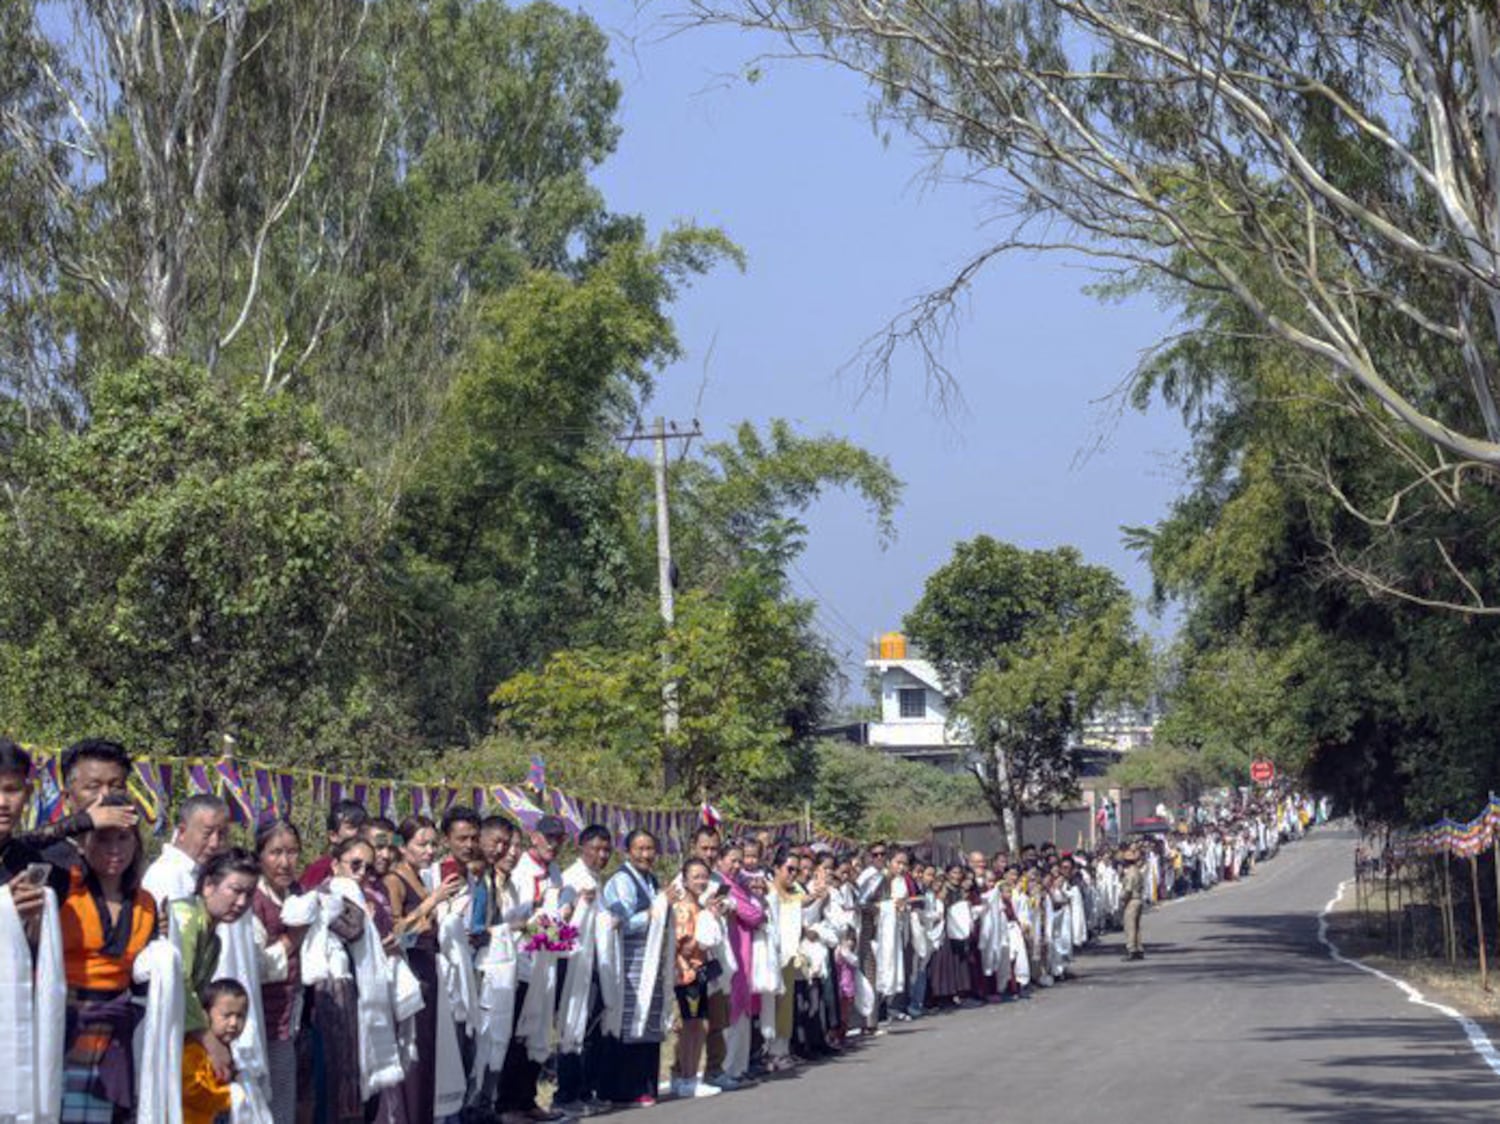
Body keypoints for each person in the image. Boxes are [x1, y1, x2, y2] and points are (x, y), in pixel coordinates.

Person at [58, 792, 157, 1124]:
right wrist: (79, 821)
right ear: (85, 843)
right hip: (65, 1025)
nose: (114, 849)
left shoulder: (146, 903)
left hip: (118, 1032)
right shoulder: (64, 891)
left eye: (123, 838)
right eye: (103, 838)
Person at [385, 815, 461, 1124]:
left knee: (429, 1051)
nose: (430, 851)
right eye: (422, 844)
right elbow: (395, 931)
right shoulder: (394, 879)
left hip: (429, 964)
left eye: (433, 844)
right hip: (410, 967)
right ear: (403, 847)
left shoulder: (423, 876)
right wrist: (432, 902)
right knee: (413, 1052)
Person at [173, 849, 260, 1087]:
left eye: (249, 894)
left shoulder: (214, 941)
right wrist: (209, 1041)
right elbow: (179, 984)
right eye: (235, 890)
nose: (242, 902)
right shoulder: (186, 917)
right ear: (209, 885)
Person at [600, 829, 668, 1107]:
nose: (645, 855)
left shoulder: (651, 880)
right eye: (639, 849)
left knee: (648, 1021)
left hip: (651, 963)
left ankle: (646, 1083)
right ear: (628, 851)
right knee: (629, 1021)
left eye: (650, 849)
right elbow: (621, 922)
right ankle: (624, 1088)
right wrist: (652, 914)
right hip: (629, 964)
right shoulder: (622, 881)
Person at [250, 819, 308, 1124]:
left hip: (291, 1015)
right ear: (259, 855)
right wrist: (291, 941)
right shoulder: (252, 899)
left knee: (285, 1099)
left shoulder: (297, 893)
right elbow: (255, 965)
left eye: (292, 852)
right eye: (275, 853)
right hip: (260, 1019)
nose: (285, 862)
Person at [554, 824, 613, 1118]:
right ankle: (566, 1092)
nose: (601, 855)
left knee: (591, 1026)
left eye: (606, 850)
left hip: (594, 962)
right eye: (596, 849)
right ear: (582, 848)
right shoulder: (571, 878)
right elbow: (561, 924)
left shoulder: (596, 879)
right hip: (574, 963)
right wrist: (579, 905)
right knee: (573, 1026)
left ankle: (585, 1089)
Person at [19, 738, 139, 873]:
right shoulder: (44, 855)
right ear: (67, 797)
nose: (105, 794)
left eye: (116, 786)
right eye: (93, 786)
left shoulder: (130, 852)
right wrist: (84, 821)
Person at [671, 857, 723, 1099]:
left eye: (704, 876)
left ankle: (689, 1076)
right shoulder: (683, 908)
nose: (701, 881)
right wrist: (703, 928)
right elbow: (684, 946)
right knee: (692, 1025)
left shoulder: (699, 907)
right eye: (696, 877)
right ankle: (687, 1077)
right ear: (684, 880)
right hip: (687, 974)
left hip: (698, 971)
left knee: (697, 1024)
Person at [144, 795, 230, 908]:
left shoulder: (205, 873)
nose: (214, 843)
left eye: (222, 834)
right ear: (182, 831)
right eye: (207, 834)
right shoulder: (165, 875)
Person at [183, 979, 249, 1124]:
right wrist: (230, 1097)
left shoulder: (228, 1049)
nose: (233, 1023)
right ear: (205, 1015)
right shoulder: (193, 1050)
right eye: (226, 1016)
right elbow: (192, 1090)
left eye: (240, 1016)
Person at [301, 800, 369, 888]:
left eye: (362, 828)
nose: (358, 833)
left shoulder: (370, 868)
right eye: (351, 827)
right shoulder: (320, 870)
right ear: (333, 836)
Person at [1120, 846, 1146, 961]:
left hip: (1132, 900)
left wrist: (1122, 898)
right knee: (1136, 926)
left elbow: (1128, 889)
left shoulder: (1131, 873)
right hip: (1139, 899)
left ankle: (1132, 949)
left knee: (1130, 926)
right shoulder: (1138, 871)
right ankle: (1139, 947)